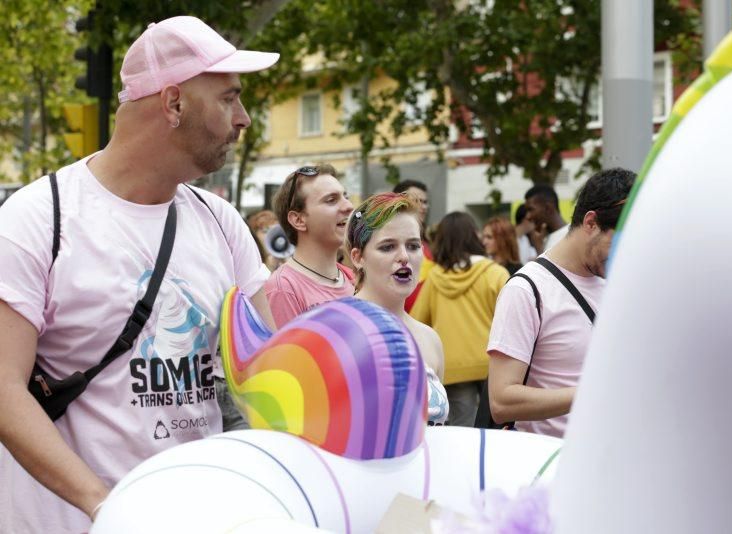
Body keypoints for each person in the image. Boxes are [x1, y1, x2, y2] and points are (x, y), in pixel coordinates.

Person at [0, 16, 279, 533]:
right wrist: (107, 507)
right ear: (173, 103)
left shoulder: (222, 224)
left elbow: (269, 374)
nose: (243, 118)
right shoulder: (39, 217)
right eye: (228, 98)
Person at [487, 168, 635, 438]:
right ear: (591, 223)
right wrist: (590, 393)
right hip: (548, 466)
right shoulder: (526, 290)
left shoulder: (615, 284)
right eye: (620, 243)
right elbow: (501, 401)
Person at [347, 192, 448, 424]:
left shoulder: (430, 338)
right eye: (387, 247)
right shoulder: (337, 328)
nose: (404, 257)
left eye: (413, 246)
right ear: (358, 257)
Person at [411, 212, 509, 426]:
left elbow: (416, 320)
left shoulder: (435, 278)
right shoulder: (496, 274)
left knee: (462, 431)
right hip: (493, 365)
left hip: (453, 368)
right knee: (495, 431)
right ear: (474, 236)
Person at [266, 164, 355, 328]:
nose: (349, 206)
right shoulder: (283, 288)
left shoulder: (353, 278)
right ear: (298, 220)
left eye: (346, 196)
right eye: (331, 200)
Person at [392, 180, 434, 312]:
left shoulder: (432, 243)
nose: (423, 206)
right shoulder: (383, 241)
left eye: (425, 202)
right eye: (417, 200)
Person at [524, 183, 568, 254]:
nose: (528, 216)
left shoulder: (571, 236)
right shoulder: (543, 238)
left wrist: (539, 250)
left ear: (548, 208)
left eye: (531, 209)